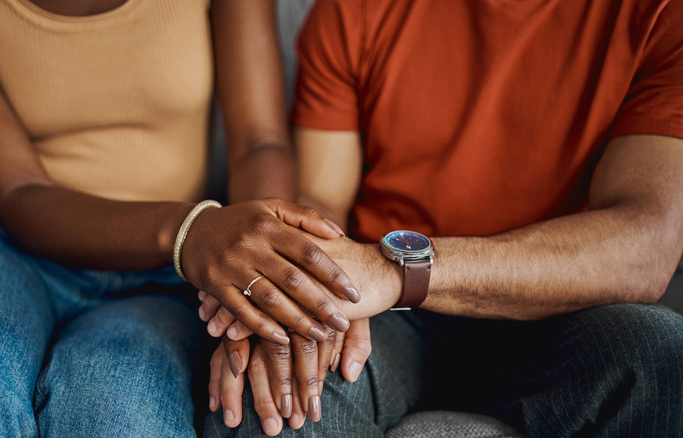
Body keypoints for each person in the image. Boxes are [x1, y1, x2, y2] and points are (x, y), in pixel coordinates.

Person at [201, 0, 683, 436]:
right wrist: (300, 287)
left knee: (661, 355)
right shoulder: (355, 7)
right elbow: (321, 197)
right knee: (270, 395)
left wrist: (394, 271)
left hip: (562, 311)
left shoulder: (661, 14)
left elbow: (646, 242)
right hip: (384, 319)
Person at [0, 0, 362, 436]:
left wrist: (257, 282)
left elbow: (259, 142)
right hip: (4, 248)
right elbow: (18, 191)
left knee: (117, 408)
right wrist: (189, 231)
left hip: (168, 275)